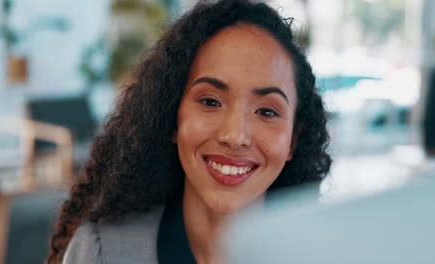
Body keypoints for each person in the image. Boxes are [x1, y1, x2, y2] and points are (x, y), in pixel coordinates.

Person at [46, 0, 331, 263]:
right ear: (173, 119)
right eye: (209, 101)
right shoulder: (102, 251)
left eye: (267, 112)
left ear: (293, 140)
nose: (235, 136)